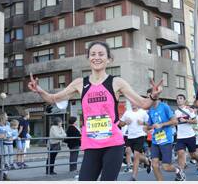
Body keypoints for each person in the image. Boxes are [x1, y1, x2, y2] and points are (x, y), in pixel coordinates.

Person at [28, 41, 163, 181]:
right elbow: (52, 98)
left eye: (101, 54)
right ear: (88, 59)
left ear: (109, 59)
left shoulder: (116, 82)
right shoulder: (80, 83)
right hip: (91, 144)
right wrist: (39, 90)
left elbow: (143, 103)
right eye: (93, 54)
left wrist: (153, 95)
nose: (96, 57)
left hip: (113, 144)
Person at [146, 89, 185, 181]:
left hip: (166, 140)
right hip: (155, 140)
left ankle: (178, 170)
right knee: (154, 165)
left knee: (166, 167)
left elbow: (175, 121)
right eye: (148, 97)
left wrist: (161, 124)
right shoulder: (150, 110)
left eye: (150, 97)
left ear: (156, 96)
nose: (149, 99)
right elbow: (149, 125)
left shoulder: (164, 107)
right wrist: (146, 127)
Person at [174, 94, 198, 177]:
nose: (179, 100)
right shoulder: (175, 112)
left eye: (181, 98)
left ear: (184, 101)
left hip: (190, 136)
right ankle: (181, 173)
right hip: (180, 137)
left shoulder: (189, 110)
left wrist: (186, 120)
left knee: (193, 155)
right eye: (177, 98)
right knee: (180, 153)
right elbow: (174, 122)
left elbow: (195, 121)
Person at [119, 102, 151, 181]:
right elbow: (120, 124)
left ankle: (134, 177)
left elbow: (150, 123)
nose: (133, 104)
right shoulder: (127, 113)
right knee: (131, 153)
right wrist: (125, 122)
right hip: (130, 137)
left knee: (136, 156)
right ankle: (147, 161)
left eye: (134, 103)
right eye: (131, 103)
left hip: (140, 136)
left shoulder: (142, 112)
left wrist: (143, 123)